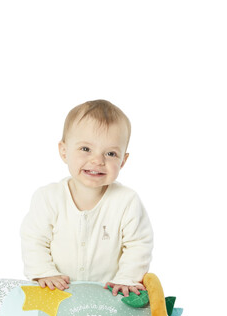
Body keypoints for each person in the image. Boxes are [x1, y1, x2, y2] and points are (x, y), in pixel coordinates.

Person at [20, 99, 153, 298]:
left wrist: (126, 278)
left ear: (123, 161)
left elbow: (138, 244)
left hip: (109, 296)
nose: (97, 160)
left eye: (110, 153)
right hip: (55, 291)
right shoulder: (48, 198)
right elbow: (34, 239)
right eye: (85, 149)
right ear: (64, 151)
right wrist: (45, 273)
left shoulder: (127, 201)